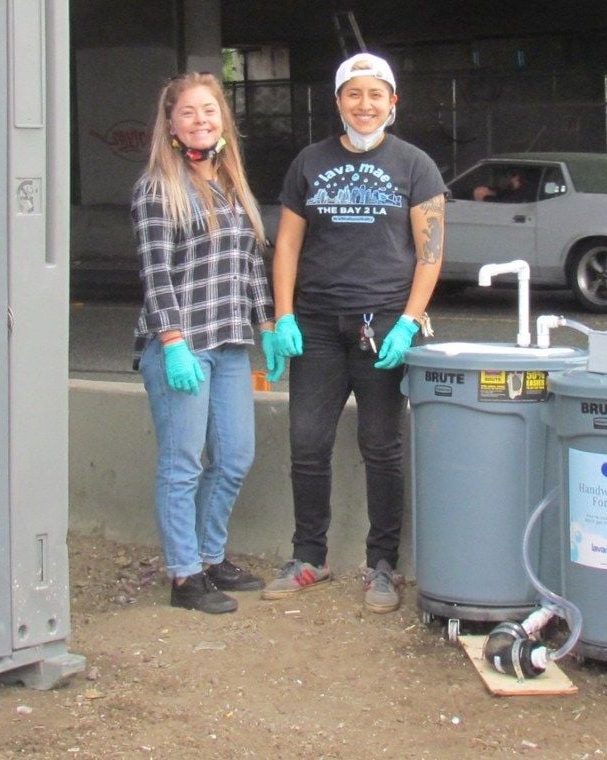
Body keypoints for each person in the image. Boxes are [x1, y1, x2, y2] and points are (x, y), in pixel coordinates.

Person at [261, 52, 446, 614]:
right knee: (308, 444)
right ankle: (308, 556)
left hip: (383, 323)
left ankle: (383, 564)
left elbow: (430, 251)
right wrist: (283, 314)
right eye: (353, 94)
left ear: (393, 103)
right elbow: (288, 243)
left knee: (381, 446)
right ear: (338, 101)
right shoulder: (309, 163)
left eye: (375, 95)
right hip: (315, 325)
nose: (364, 106)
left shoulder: (416, 165)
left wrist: (410, 321)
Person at [132, 71, 283, 614]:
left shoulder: (231, 183)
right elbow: (156, 274)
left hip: (229, 344)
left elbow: (248, 268)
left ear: (224, 120)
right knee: (182, 463)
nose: (201, 120)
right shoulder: (157, 188)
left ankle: (211, 555)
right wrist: (172, 341)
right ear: (170, 123)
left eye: (210, 111)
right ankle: (184, 575)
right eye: (189, 112)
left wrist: (268, 326)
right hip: (183, 346)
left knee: (235, 456)